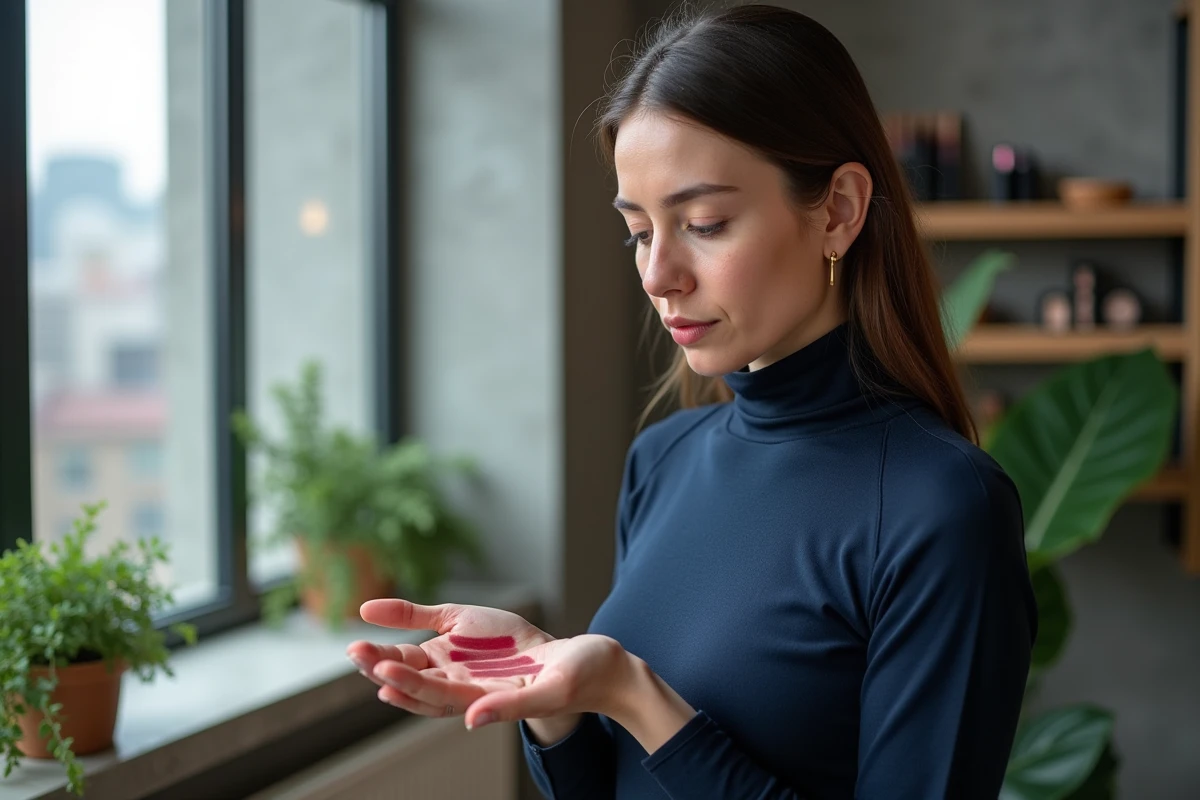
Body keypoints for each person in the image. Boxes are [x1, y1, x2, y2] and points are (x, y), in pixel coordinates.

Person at [346, 5, 1037, 798]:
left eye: (703, 223)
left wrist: (636, 697)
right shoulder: (664, 460)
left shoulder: (943, 509)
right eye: (639, 230)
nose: (656, 273)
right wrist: (555, 702)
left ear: (839, 210)